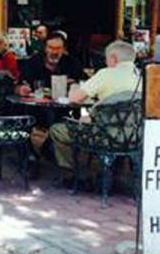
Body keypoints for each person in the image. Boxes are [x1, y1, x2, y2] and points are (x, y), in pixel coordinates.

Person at [49, 41, 141, 174]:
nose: (106, 62)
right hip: (136, 137)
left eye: (107, 58)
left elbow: (74, 99)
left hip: (104, 136)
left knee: (57, 130)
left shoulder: (106, 74)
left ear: (113, 58)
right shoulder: (145, 77)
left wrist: (74, 87)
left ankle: (75, 173)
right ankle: (115, 171)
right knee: (88, 119)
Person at [21, 32, 86, 89]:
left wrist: (75, 85)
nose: (54, 52)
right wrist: (21, 89)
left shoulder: (73, 64)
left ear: (64, 49)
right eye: (51, 47)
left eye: (58, 48)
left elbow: (86, 84)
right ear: (45, 48)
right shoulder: (33, 63)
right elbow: (20, 85)